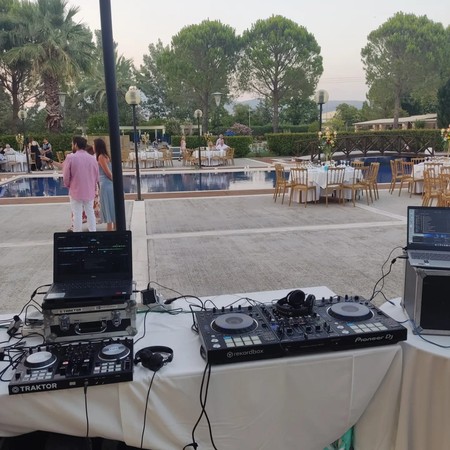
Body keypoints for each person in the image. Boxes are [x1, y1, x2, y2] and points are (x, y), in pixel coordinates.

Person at [63, 136, 99, 232]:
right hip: (89, 190)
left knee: (77, 214)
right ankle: (93, 232)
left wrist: (68, 185)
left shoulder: (70, 157)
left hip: (76, 190)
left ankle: (77, 233)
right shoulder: (92, 158)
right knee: (90, 212)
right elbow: (96, 176)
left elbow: (66, 175)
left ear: (75, 145)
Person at [94, 138, 115, 231]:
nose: (93, 147)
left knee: (108, 207)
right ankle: (114, 229)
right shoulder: (106, 156)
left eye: (94, 145)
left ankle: (110, 230)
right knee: (111, 206)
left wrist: (116, 182)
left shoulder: (101, 157)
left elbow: (108, 173)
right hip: (107, 184)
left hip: (105, 185)